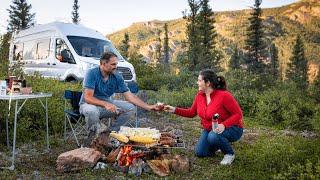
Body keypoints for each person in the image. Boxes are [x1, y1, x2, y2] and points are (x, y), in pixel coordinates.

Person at [164, 69, 243, 165]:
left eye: (199, 80)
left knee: (213, 136)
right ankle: (219, 144)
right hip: (210, 129)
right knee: (200, 152)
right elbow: (191, 113)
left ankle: (229, 154)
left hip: (232, 128)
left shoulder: (224, 96)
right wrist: (173, 109)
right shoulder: (199, 96)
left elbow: (238, 114)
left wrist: (224, 125)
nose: (197, 83)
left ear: (208, 83)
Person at [79, 51, 159, 145]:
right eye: (113, 64)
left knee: (129, 108)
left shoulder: (117, 76)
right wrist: (106, 104)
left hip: (107, 105)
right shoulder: (92, 73)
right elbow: (88, 98)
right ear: (103, 64)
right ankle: (92, 141)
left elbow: (130, 97)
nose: (115, 66)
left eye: (116, 64)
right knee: (91, 111)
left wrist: (149, 107)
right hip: (88, 105)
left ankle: (110, 134)